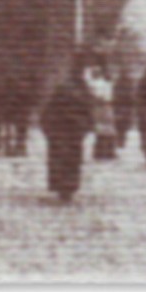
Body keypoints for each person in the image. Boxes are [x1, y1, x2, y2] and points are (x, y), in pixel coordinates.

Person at [41, 68, 95, 203]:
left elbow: (47, 114)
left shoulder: (60, 92)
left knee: (59, 160)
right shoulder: (83, 94)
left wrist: (49, 131)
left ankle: (61, 187)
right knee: (72, 161)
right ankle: (68, 188)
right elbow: (88, 114)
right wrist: (86, 128)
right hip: (73, 132)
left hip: (59, 132)